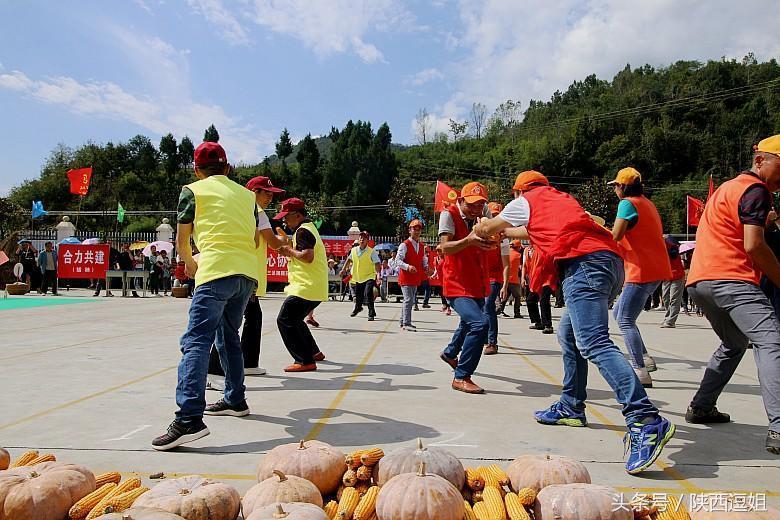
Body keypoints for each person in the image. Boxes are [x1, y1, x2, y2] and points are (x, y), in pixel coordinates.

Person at [475, 170, 674, 475]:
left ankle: (645, 419)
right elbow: (529, 232)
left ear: (520, 191)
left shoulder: (528, 199)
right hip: (607, 262)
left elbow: (489, 227)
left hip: (584, 266)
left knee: (593, 343)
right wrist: (504, 234)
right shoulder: (561, 200)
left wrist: (484, 225)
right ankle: (571, 404)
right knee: (569, 334)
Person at [152, 141, 260, 450]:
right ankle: (235, 400)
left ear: (197, 170)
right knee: (228, 336)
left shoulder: (193, 191)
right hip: (245, 274)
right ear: (227, 169)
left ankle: (189, 420)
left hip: (215, 271)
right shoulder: (248, 196)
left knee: (196, 342)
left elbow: (182, 238)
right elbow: (253, 238)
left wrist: (190, 264)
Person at [685, 134, 780, 455]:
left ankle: (702, 406)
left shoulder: (729, 188)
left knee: (735, 342)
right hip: (732, 278)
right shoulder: (757, 190)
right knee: (772, 342)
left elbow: (733, 230)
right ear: (760, 161)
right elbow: (753, 245)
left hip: (700, 281)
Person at [207, 176, 287, 391]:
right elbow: (272, 242)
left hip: (242, 272)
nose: (270, 197)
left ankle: (248, 362)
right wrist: (285, 240)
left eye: (272, 193)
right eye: (265, 192)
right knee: (227, 326)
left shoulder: (242, 211)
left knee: (250, 318)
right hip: (243, 273)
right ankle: (214, 371)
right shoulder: (257, 213)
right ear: (252, 191)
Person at [610, 167, 672, 387]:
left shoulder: (627, 204)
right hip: (655, 268)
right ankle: (645, 357)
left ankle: (640, 369)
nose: (615, 190)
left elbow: (616, 235)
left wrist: (595, 228)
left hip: (641, 269)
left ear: (623, 187)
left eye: (616, 185)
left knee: (625, 320)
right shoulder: (647, 203)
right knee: (619, 313)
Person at [439, 182, 494, 394]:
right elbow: (444, 247)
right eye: (471, 204)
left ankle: (451, 353)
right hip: (457, 284)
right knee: (480, 324)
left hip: (477, 283)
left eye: (480, 204)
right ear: (460, 201)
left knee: (467, 323)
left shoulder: (484, 216)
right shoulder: (449, 215)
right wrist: (469, 240)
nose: (475, 209)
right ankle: (461, 376)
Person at [275, 197, 329, 372]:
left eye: (286, 216)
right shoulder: (308, 229)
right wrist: (291, 247)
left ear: (297, 215)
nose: (284, 220)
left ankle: (304, 360)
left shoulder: (302, 231)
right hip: (312, 287)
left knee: (285, 320)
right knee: (295, 320)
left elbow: (307, 256)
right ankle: (313, 352)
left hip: (306, 287)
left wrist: (288, 250)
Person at [483, 202, 510, 355]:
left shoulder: (503, 239)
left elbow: (506, 264)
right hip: (481, 277)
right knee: (482, 308)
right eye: (492, 215)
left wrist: (505, 285)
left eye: (497, 215)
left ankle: (492, 342)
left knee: (488, 306)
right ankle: (484, 337)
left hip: (495, 277)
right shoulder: (481, 233)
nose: (494, 218)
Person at [339, 231, 381, 321]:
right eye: (360, 238)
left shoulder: (371, 251)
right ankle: (358, 308)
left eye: (364, 238)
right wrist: (343, 269)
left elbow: (377, 264)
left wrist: (378, 275)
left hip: (369, 275)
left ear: (367, 240)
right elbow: (349, 260)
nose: (362, 239)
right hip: (358, 276)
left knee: (368, 292)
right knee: (359, 295)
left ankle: (371, 312)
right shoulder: (354, 250)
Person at [396, 219, 428, 331]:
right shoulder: (404, 245)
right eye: (415, 229)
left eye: (419, 229)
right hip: (406, 277)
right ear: (410, 230)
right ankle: (406, 323)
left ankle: (402, 321)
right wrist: (408, 267)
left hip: (415, 277)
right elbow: (397, 261)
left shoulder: (421, 246)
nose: (417, 231)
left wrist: (426, 266)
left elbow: (423, 258)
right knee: (409, 300)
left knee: (408, 300)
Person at [523, 245, 556, 334]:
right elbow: (526, 265)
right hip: (536, 279)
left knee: (544, 301)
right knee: (530, 300)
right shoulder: (528, 250)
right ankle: (538, 322)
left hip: (547, 278)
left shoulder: (546, 247)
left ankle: (548, 325)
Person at [661, 236, 685, 328]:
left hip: (677, 275)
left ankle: (671, 321)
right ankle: (668, 317)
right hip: (666, 276)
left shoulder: (672, 246)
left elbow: (673, 255)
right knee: (665, 297)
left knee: (674, 298)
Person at [498, 240, 523, 319]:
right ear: (518, 247)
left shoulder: (505, 254)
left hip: (504, 279)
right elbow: (521, 267)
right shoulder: (518, 255)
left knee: (505, 295)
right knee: (517, 297)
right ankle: (517, 313)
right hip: (514, 280)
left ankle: (500, 309)